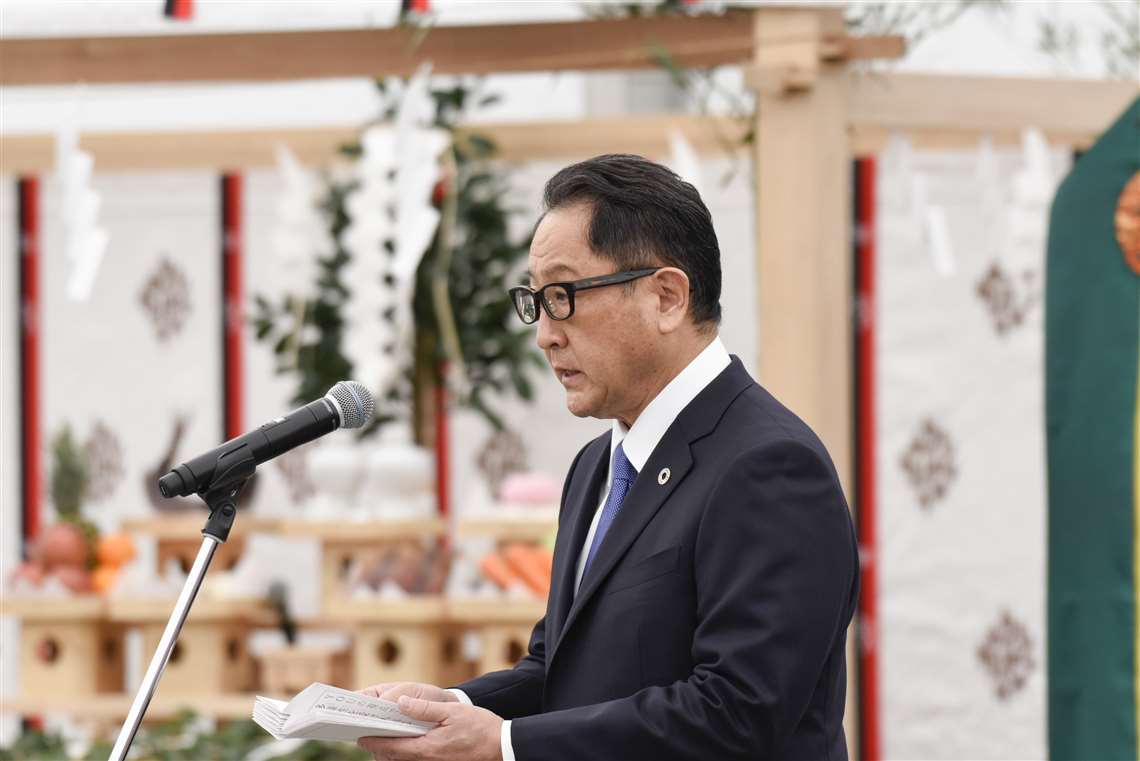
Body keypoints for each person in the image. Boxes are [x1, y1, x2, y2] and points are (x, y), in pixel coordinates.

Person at [359, 154, 859, 761]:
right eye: (535, 300)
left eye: (564, 295)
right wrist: (450, 708)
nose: (545, 333)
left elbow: (739, 712)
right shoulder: (596, 465)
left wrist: (507, 745)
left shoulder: (769, 465)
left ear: (667, 297)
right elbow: (561, 670)